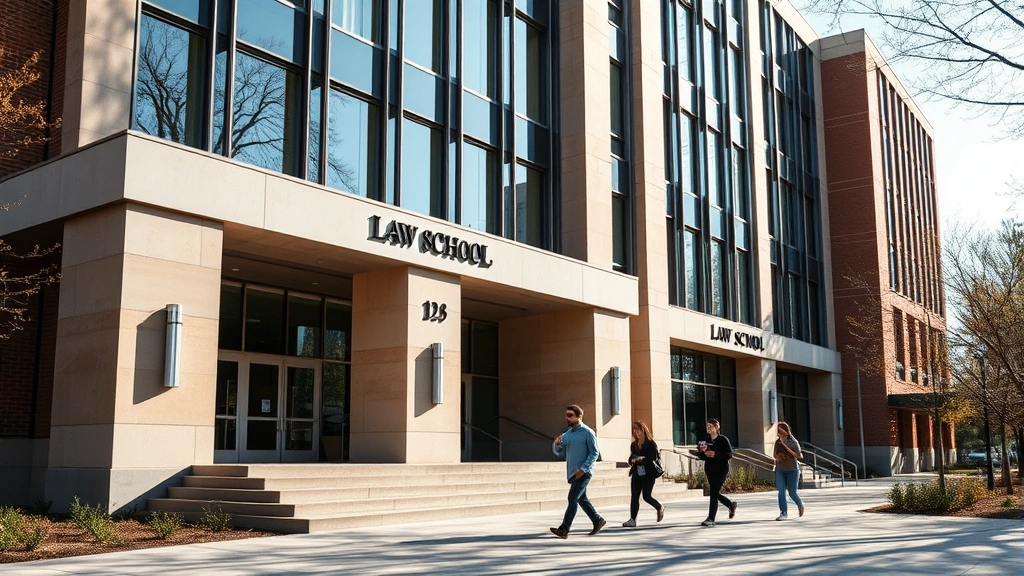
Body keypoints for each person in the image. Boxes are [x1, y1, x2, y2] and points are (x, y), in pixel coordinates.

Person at [550, 404, 606, 539]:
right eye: (566, 415)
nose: (567, 418)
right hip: (572, 472)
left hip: (584, 472)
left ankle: (564, 529)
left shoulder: (588, 433)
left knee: (572, 498)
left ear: (579, 416)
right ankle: (598, 520)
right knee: (582, 498)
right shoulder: (567, 435)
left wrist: (583, 469)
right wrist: (556, 444)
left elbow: (594, 453)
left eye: (570, 415)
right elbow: (560, 453)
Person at [622, 420, 666, 527]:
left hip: (649, 473)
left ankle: (659, 507)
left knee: (646, 496)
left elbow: (652, 459)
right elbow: (631, 457)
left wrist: (641, 459)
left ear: (643, 430)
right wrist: (632, 460)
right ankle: (633, 519)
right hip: (637, 472)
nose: (635, 431)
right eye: (634, 429)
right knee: (634, 496)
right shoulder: (634, 445)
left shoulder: (651, 444)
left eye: (637, 429)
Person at [696, 418, 736, 527]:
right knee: (714, 492)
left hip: (721, 469)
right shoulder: (705, 440)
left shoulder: (723, 439)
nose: (708, 428)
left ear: (717, 427)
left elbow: (729, 454)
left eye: (711, 426)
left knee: (713, 493)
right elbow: (700, 455)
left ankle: (711, 518)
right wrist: (704, 454)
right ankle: (730, 504)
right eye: (707, 426)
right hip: (710, 469)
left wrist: (716, 454)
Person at [773, 421, 805, 520]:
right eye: (779, 432)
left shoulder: (793, 442)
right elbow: (774, 455)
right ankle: (783, 512)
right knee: (781, 491)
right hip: (780, 469)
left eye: (782, 432)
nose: (780, 434)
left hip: (792, 470)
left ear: (787, 432)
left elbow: (799, 456)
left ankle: (800, 504)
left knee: (792, 492)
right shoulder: (777, 442)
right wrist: (778, 457)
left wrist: (786, 447)